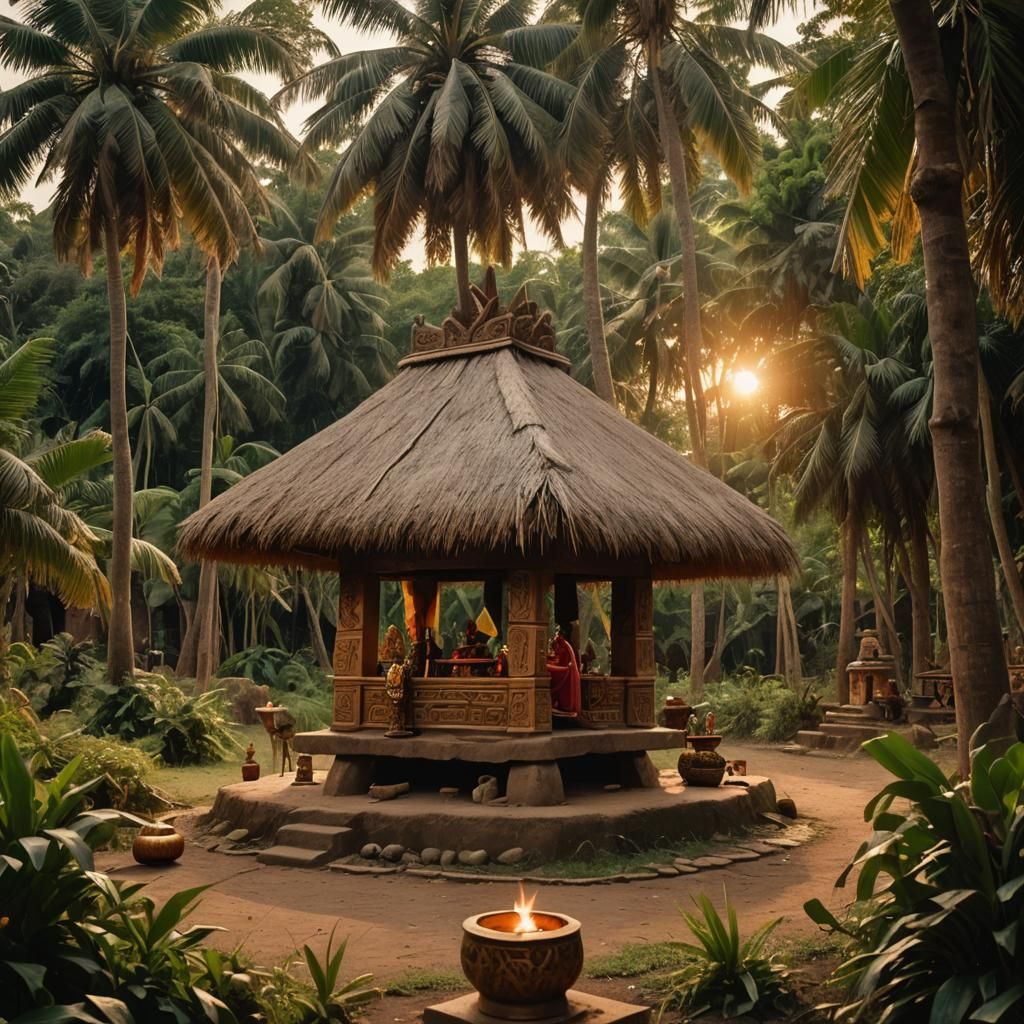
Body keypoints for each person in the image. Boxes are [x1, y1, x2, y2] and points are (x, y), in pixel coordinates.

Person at [547, 626, 581, 718]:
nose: (555, 635)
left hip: (566, 673)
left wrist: (549, 663)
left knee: (549, 675)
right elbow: (558, 659)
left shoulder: (565, 646)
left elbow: (562, 663)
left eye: (557, 632)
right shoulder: (563, 645)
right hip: (566, 670)